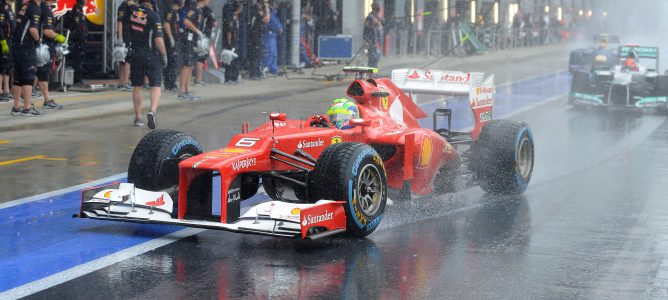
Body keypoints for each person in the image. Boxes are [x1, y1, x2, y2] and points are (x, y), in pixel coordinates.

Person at [127, 0, 167, 129]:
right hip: (151, 55)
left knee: (137, 86)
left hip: (135, 53)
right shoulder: (153, 15)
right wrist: (164, 55)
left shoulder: (131, 12)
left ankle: (138, 117)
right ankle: (152, 111)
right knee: (156, 85)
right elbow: (158, 39)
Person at [10, 0, 41, 116]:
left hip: (16, 46)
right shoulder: (35, 8)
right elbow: (33, 30)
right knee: (28, 76)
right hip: (26, 47)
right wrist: (38, 41)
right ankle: (27, 108)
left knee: (18, 78)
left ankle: (16, 107)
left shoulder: (25, 6)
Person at [36, 0, 65, 109]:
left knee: (36, 72)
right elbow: (47, 31)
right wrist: (58, 37)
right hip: (45, 47)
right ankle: (47, 100)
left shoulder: (39, 7)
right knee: (43, 73)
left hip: (38, 45)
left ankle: (27, 97)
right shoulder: (46, 10)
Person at [178, 0, 206, 100]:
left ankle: (187, 90)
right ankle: (181, 91)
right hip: (187, 39)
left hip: (192, 39)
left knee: (190, 65)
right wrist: (197, 31)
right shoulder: (193, 8)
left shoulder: (198, 9)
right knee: (187, 65)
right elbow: (185, 21)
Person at [63, 0, 87, 85]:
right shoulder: (76, 11)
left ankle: (78, 78)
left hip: (80, 40)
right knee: (77, 60)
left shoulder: (80, 11)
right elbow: (76, 27)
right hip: (78, 40)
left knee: (79, 60)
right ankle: (77, 79)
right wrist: (80, 37)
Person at [163, 0, 183, 93]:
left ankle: (170, 84)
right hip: (170, 41)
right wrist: (170, 37)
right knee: (172, 62)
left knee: (172, 62)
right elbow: (166, 23)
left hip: (175, 39)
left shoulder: (175, 12)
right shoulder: (171, 11)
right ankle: (170, 85)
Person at [115, 0, 136, 91]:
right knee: (126, 58)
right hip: (125, 35)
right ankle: (125, 81)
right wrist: (120, 37)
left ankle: (122, 82)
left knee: (124, 59)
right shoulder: (123, 6)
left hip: (130, 34)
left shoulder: (133, 5)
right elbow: (120, 22)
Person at [193, 0, 215, 86]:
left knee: (202, 57)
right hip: (202, 35)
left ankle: (199, 78)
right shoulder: (200, 9)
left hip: (205, 35)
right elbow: (213, 22)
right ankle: (198, 79)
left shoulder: (206, 9)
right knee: (200, 56)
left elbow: (214, 21)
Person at [248, 0, 269, 80]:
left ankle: (257, 72)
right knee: (255, 54)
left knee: (259, 54)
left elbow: (266, 19)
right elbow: (265, 19)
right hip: (254, 34)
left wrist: (265, 10)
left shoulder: (261, 8)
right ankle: (253, 74)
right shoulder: (254, 8)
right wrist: (267, 10)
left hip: (259, 33)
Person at [222, 0, 241, 84]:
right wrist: (229, 43)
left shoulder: (235, 16)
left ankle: (234, 77)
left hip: (235, 39)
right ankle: (229, 78)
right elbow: (229, 30)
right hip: (231, 41)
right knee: (229, 59)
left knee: (235, 59)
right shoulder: (230, 15)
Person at [0, 0, 15, 102]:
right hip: (3, 40)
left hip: (10, 40)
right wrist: (2, 41)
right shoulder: (2, 7)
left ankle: (6, 90)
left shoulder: (10, 7)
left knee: (8, 66)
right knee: (1, 65)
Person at [262, 0, 281, 76]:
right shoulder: (269, 10)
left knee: (273, 53)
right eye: (277, 3)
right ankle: (268, 69)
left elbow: (277, 21)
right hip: (269, 34)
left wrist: (279, 28)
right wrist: (279, 28)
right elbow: (272, 22)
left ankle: (273, 69)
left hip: (273, 34)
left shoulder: (273, 11)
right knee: (270, 52)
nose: (278, 5)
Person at [363, 2, 383, 69]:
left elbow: (382, 25)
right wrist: (366, 40)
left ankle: (374, 74)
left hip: (377, 42)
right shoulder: (370, 18)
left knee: (376, 59)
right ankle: (371, 75)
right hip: (372, 42)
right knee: (372, 60)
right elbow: (366, 30)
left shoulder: (378, 18)